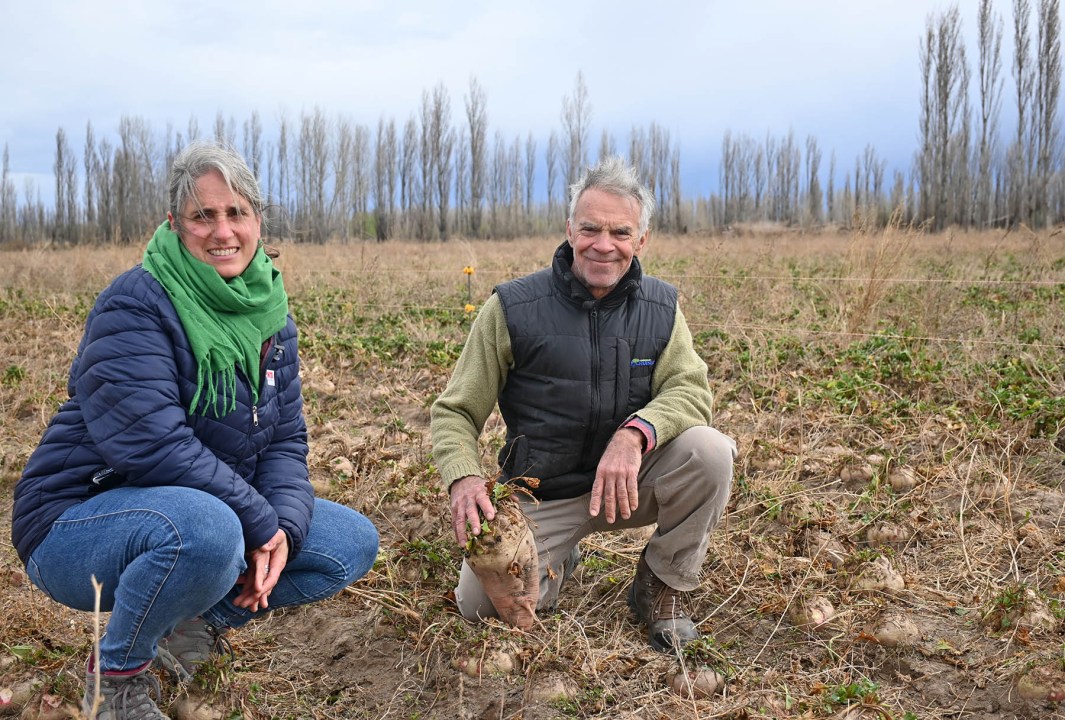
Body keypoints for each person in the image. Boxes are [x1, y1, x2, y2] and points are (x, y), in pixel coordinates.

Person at [11, 141, 379, 720]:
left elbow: (285, 439)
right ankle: (116, 680)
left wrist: (280, 526)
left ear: (258, 220)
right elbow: (150, 443)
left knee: (344, 544)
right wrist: (256, 522)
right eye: (203, 215)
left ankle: (182, 625)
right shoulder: (136, 304)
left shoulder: (270, 313)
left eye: (237, 213)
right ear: (174, 224)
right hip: (78, 519)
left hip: (202, 513)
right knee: (210, 530)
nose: (222, 231)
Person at [431, 156, 735, 654]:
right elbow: (455, 411)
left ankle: (662, 584)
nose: (604, 244)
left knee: (710, 452)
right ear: (570, 228)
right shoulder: (512, 308)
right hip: (542, 493)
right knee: (481, 609)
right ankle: (559, 554)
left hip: (628, 483)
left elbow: (691, 390)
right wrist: (463, 476)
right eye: (591, 228)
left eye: (621, 232)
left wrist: (635, 433)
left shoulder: (661, 309)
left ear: (642, 241)